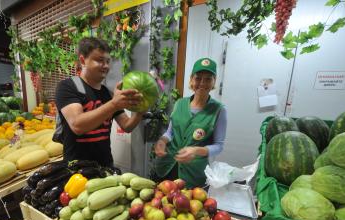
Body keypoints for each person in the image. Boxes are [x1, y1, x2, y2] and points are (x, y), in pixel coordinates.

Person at [55, 37, 144, 166]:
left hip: (105, 166)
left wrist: (140, 111)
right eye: (100, 60)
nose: (106, 66)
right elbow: (77, 125)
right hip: (76, 168)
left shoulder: (107, 93)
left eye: (108, 61)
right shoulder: (69, 86)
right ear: (82, 60)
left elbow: (127, 125)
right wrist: (114, 104)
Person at [154, 57, 227, 188]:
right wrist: (162, 141)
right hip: (167, 167)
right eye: (198, 78)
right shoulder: (179, 103)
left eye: (208, 79)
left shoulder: (219, 110)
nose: (202, 83)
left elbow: (219, 146)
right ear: (191, 80)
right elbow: (170, 132)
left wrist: (196, 150)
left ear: (214, 82)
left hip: (193, 174)